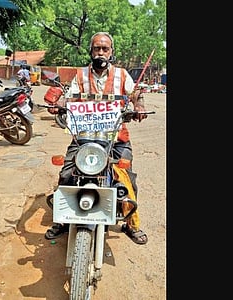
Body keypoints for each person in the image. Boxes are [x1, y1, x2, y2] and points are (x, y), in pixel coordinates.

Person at [44, 32, 149, 245]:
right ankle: (63, 220)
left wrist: (139, 105)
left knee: (127, 180)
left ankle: (130, 224)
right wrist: (60, 104)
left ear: (111, 52)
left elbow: (135, 92)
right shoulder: (80, 75)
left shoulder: (121, 74)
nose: (100, 52)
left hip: (116, 138)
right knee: (66, 174)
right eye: (97, 48)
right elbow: (69, 95)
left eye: (105, 49)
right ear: (91, 51)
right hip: (83, 137)